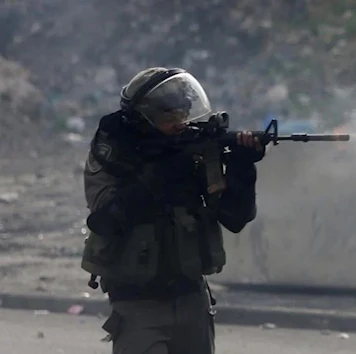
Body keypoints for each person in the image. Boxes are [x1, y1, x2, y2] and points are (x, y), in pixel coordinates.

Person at [80, 67, 264, 354]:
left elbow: (234, 217)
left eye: (183, 114)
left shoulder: (191, 151)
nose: (180, 124)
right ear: (144, 118)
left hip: (191, 296)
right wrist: (161, 176)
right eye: (169, 117)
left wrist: (242, 167)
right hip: (137, 302)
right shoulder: (115, 151)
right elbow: (105, 218)